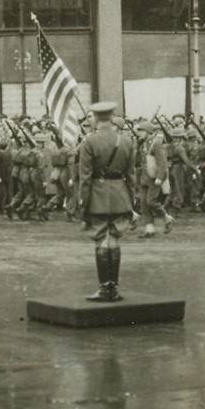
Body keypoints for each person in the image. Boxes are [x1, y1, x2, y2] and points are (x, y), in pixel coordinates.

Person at [77, 101, 137, 302]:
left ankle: (104, 289)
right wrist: (131, 202)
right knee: (115, 240)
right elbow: (131, 176)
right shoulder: (126, 141)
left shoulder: (89, 142)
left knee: (101, 240)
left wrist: (83, 206)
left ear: (94, 118)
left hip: (98, 196)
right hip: (120, 195)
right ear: (112, 117)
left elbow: (85, 178)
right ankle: (114, 288)